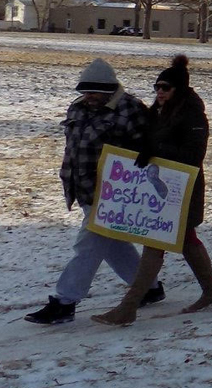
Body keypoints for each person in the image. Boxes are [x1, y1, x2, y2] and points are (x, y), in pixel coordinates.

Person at [92, 56, 212, 325]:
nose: (160, 92)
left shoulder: (193, 115)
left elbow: (193, 155)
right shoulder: (158, 112)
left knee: (155, 243)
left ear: (179, 89)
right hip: (158, 189)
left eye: (166, 87)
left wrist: (157, 150)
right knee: (186, 241)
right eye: (157, 87)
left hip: (181, 191)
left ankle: (128, 307)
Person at [26, 59, 153, 326]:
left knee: (88, 245)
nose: (89, 96)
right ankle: (148, 287)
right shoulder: (78, 108)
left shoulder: (130, 109)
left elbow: (147, 147)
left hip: (113, 192)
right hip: (82, 188)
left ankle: (64, 302)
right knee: (112, 243)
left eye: (94, 91)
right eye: (85, 91)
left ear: (109, 89)